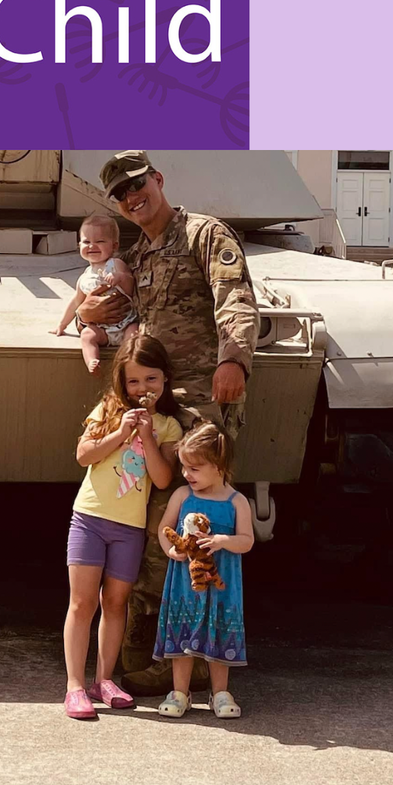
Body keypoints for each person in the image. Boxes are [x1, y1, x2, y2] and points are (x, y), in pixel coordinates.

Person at [75, 150, 260, 696]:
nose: (133, 197)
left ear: (158, 179)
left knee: (192, 530)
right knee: (154, 531)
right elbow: (129, 323)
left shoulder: (204, 234)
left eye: (138, 184)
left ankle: (191, 656)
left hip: (203, 404)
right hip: (158, 409)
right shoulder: (139, 256)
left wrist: (235, 359)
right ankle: (158, 649)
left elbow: (235, 299)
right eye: (121, 195)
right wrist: (89, 317)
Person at [63, 334, 182, 719]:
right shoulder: (109, 409)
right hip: (90, 519)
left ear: (164, 380)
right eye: (133, 381)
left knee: (115, 605)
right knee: (81, 604)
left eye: (151, 380)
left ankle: (104, 679)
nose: (142, 389)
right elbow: (84, 455)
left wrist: (146, 435)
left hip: (129, 528)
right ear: (122, 383)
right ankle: (75, 687)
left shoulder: (167, 427)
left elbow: (163, 479)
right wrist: (120, 432)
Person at [153, 420, 253, 719]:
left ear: (218, 465)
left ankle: (220, 693)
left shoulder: (238, 502)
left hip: (222, 586)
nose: (187, 474)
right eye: (185, 467)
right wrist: (172, 550)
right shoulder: (183, 496)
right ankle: (179, 693)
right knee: (182, 637)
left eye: (194, 468)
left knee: (219, 634)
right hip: (185, 583)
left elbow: (247, 541)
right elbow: (164, 528)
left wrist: (224, 540)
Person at [50, 214, 138, 373]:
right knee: (87, 336)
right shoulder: (84, 277)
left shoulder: (115, 264)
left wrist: (119, 277)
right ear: (79, 245)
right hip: (102, 329)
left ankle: (126, 363)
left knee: (134, 334)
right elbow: (76, 302)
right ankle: (93, 361)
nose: (92, 246)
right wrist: (62, 324)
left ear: (114, 245)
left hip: (125, 323)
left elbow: (131, 284)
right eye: (86, 242)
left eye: (100, 241)